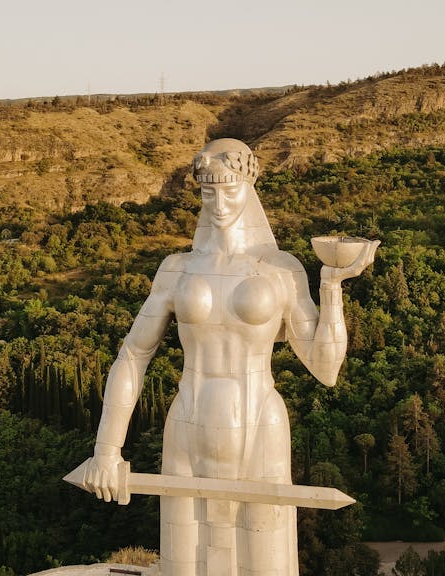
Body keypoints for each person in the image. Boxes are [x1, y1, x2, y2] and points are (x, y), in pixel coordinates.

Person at [82, 138, 377, 575]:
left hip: (260, 424)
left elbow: (325, 366)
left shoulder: (282, 267)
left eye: (230, 189)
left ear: (249, 186)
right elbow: (133, 354)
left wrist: (331, 288)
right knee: (185, 565)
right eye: (208, 191)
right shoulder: (177, 268)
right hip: (187, 425)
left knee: (265, 565)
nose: (219, 203)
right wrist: (107, 448)